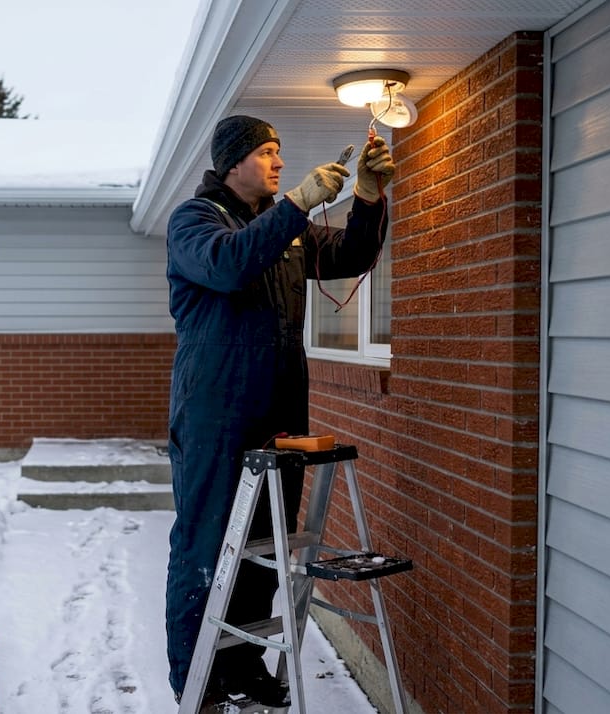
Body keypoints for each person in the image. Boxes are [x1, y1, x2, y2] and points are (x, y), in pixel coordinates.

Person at [163, 115, 395, 706]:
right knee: (207, 543)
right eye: (267, 152)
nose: (278, 162)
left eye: (280, 152)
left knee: (267, 542)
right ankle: (197, 679)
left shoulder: (285, 230)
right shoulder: (195, 222)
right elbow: (230, 264)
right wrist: (295, 205)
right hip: (215, 413)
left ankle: (243, 665)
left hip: (281, 406)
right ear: (232, 162)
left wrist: (367, 197)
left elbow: (350, 254)